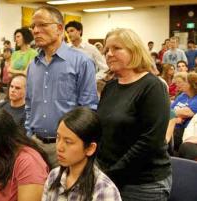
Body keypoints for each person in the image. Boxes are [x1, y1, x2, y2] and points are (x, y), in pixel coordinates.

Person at [97, 28, 172, 200]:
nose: (109, 54)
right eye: (107, 50)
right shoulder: (110, 87)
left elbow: (150, 142)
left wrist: (111, 173)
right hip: (109, 177)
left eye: (116, 48)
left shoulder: (153, 87)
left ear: (135, 51)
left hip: (142, 184)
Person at [26, 6, 98, 167]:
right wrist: (29, 134)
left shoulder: (81, 62)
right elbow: (29, 104)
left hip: (67, 147)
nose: (36, 30)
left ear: (59, 28)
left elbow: (88, 110)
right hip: (35, 144)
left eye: (42, 25)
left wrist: (75, 144)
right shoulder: (33, 65)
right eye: (33, 26)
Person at [42, 107, 121, 201]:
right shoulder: (53, 176)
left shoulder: (104, 189)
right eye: (58, 138)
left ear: (90, 148)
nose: (59, 147)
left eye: (68, 142)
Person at [171, 72, 197, 151]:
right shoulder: (182, 95)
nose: (181, 84)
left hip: (182, 131)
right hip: (173, 125)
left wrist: (172, 115)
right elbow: (169, 110)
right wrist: (175, 118)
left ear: (191, 85)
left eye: (184, 82)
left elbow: (187, 112)